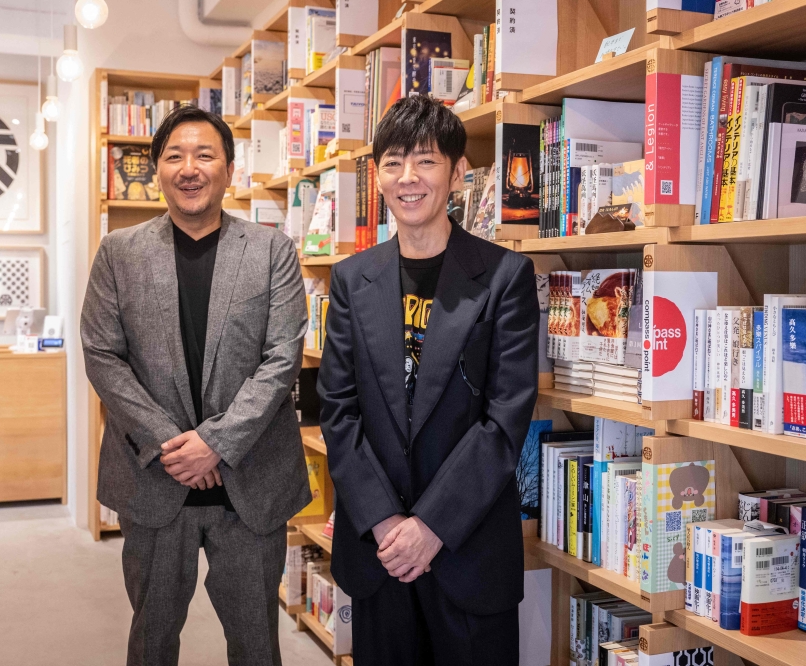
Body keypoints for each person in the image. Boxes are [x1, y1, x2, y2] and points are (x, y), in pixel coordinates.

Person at [81, 106, 310, 666]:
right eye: (174, 156)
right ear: (157, 168)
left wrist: (217, 443)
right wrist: (172, 443)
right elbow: (102, 356)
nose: (190, 168)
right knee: (152, 639)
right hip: (155, 483)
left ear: (229, 169)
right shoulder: (119, 252)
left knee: (257, 644)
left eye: (205, 155)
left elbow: (283, 358)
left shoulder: (270, 250)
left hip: (250, 484)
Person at [317, 95, 539, 665]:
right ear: (376, 176)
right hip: (379, 550)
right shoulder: (350, 279)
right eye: (392, 162)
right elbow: (338, 410)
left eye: (426, 161)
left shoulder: (505, 276)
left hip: (468, 549)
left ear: (459, 172)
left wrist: (432, 525)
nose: (407, 178)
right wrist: (390, 524)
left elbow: (505, 418)